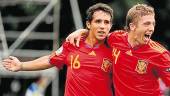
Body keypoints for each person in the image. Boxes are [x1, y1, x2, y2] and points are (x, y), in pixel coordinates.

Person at [2, 3, 114, 96]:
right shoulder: (73, 43)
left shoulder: (116, 49)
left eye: (106, 22)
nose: (103, 26)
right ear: (88, 24)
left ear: (111, 25)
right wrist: (21, 66)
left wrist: (82, 31)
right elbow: (49, 60)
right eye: (98, 21)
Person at [66, 3, 170, 96]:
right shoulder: (116, 38)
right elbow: (98, 35)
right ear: (132, 26)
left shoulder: (160, 54)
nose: (152, 28)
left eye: (153, 23)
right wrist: (82, 31)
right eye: (147, 23)